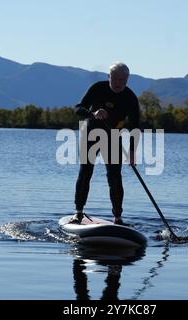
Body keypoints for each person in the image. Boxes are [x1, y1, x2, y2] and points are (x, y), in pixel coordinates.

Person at [71, 62, 140, 225]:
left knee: (115, 177)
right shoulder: (97, 88)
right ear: (109, 77)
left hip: (113, 137)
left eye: (123, 80)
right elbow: (78, 109)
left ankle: (117, 217)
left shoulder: (130, 97)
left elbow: (135, 127)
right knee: (86, 171)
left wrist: (131, 152)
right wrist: (92, 113)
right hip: (91, 133)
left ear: (127, 79)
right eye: (115, 79)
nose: (119, 83)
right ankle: (78, 213)